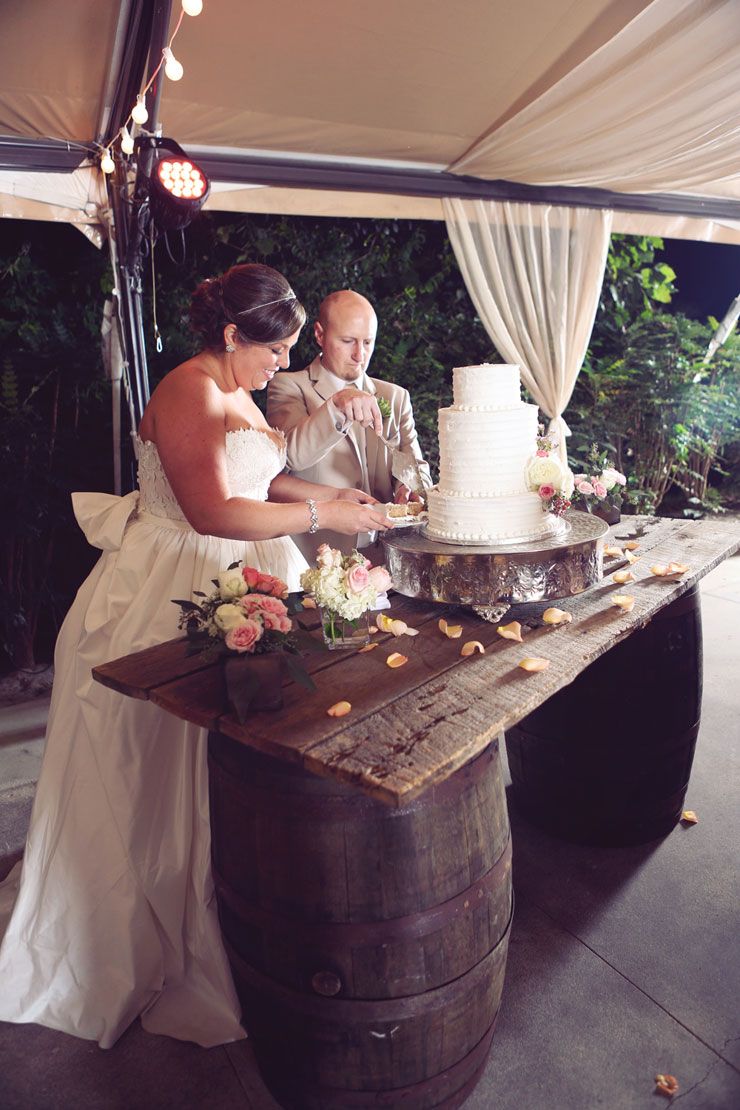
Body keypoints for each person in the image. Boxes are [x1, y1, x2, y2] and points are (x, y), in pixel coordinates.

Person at [0, 264, 393, 1050]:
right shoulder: (186, 388)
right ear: (229, 336)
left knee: (224, 765)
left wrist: (335, 505)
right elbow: (210, 504)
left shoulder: (237, 387)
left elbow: (266, 474)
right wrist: (320, 509)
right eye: (276, 349)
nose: (283, 363)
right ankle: (125, 924)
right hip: (167, 587)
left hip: (240, 575)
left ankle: (221, 905)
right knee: (145, 760)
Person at [266, 289, 432, 561]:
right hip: (317, 553)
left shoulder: (395, 396)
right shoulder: (288, 386)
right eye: (348, 341)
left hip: (387, 554)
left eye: (368, 342)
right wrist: (336, 405)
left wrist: (410, 486)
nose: (359, 355)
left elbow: (416, 465)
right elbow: (291, 458)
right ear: (319, 334)